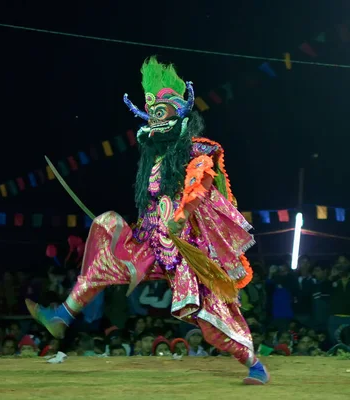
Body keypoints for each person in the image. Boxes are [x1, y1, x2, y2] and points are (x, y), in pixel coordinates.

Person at [26, 57, 269, 385]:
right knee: (108, 235)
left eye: (160, 112)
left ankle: (253, 362)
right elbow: (153, 203)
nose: (154, 120)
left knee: (210, 323)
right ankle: (62, 314)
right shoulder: (153, 158)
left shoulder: (198, 151)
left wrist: (180, 219)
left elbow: (199, 188)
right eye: (150, 112)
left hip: (190, 251)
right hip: (153, 243)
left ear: (178, 112)